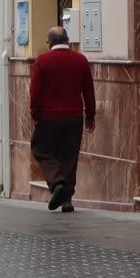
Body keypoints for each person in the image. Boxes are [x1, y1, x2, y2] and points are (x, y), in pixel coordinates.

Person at [29, 26, 96, 213]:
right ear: (67, 40)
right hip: (74, 116)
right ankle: (67, 200)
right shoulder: (80, 60)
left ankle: (57, 182)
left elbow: (35, 92)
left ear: (49, 42)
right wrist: (90, 115)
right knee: (69, 156)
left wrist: (35, 114)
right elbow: (88, 91)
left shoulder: (42, 61)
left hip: (49, 116)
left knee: (41, 149)